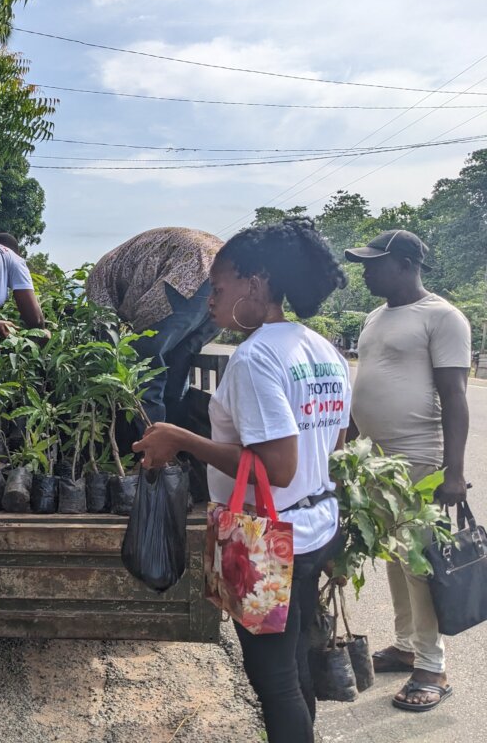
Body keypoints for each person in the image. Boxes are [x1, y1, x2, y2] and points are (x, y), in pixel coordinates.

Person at [133, 218, 350, 743]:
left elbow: (276, 468)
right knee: (293, 666)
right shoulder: (322, 349)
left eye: (219, 286)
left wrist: (181, 440)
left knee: (273, 682)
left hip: (269, 541)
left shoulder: (255, 358)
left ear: (255, 284)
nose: (210, 300)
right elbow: (336, 442)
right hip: (317, 526)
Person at [345, 229, 471, 712]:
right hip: (375, 461)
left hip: (419, 458)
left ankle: (433, 667)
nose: (365, 271)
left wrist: (453, 473)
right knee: (394, 557)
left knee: (420, 562)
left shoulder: (443, 317)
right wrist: (347, 449)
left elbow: (455, 397)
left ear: (404, 264)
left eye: (373, 263)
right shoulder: (375, 316)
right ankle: (405, 646)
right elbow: (366, 387)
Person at [86, 226, 223, 427]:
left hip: (188, 270)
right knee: (179, 359)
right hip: (227, 268)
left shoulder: (95, 279)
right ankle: (175, 434)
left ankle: (151, 439)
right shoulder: (115, 262)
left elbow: (107, 331)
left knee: (144, 362)